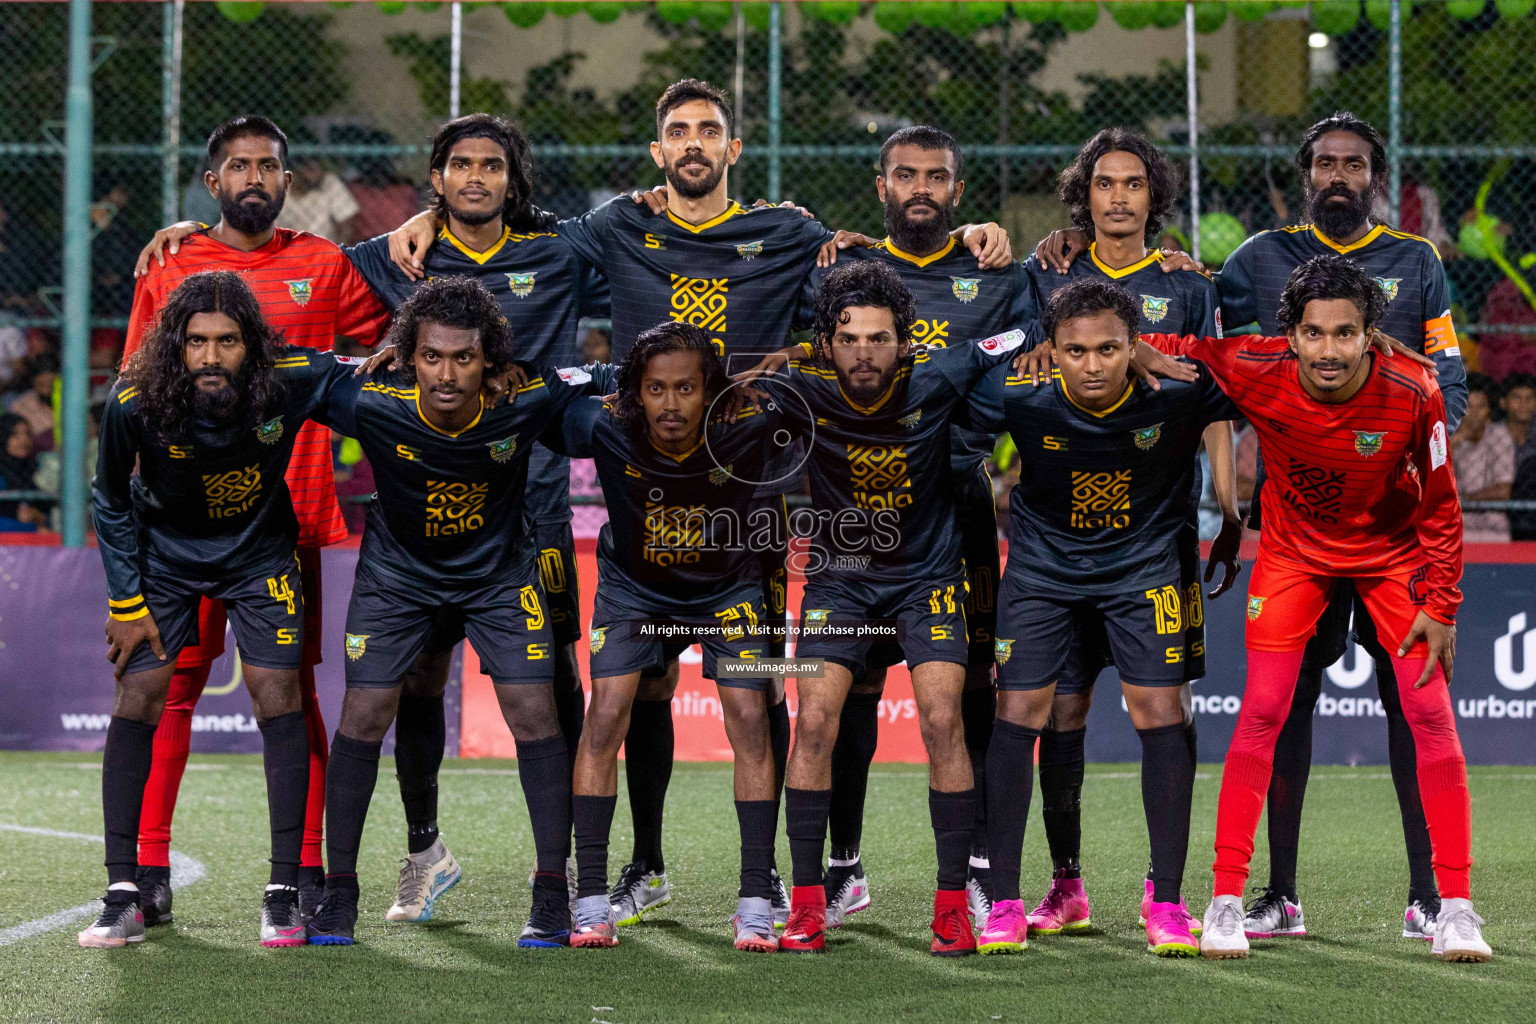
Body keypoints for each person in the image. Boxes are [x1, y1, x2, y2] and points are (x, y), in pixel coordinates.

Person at [1035, 111, 1468, 941]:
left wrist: (1422, 441)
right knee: (1283, 707)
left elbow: (1446, 372)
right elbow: (1197, 350)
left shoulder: (1418, 264)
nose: (1339, 175)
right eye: (1325, 163)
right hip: (1297, 529)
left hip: (1394, 535)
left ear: (1375, 175)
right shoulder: (1254, 261)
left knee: (1412, 706)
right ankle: (1272, 893)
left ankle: (1431, 898)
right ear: (1305, 173)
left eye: (1354, 164)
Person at [1138, 254, 1490, 963]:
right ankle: (1228, 901)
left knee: (1429, 713)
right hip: (1294, 556)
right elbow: (1160, 345)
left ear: (1371, 336)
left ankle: (1454, 909)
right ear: (1290, 336)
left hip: (1393, 558)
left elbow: (1443, 509)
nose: (1329, 350)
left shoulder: (1414, 386)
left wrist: (1442, 605)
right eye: (1315, 334)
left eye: (1345, 333)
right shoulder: (1252, 364)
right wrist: (1111, 339)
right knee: (1264, 711)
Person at [122, 115, 391, 926]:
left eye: (269, 166)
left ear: (288, 180)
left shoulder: (323, 263)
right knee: (168, 691)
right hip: (176, 522)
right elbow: (136, 383)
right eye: (238, 165)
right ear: (212, 183)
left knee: (290, 697)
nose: (254, 177)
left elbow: (387, 350)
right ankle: (148, 866)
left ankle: (303, 869)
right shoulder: (171, 263)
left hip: (287, 523)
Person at [303, 276, 616, 948]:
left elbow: (607, 377)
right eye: (432, 356)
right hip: (398, 577)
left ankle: (551, 894)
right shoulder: (370, 397)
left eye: (465, 358)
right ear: (407, 356)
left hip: (498, 576)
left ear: (490, 361)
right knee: (363, 715)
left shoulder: (525, 393)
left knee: (535, 715)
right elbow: (281, 375)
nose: (447, 375)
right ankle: (340, 895)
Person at [794, 126, 1035, 931]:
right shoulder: (844, 271)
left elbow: (1020, 366)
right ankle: (843, 863)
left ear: (959, 192)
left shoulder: (993, 268)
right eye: (906, 175)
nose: (920, 188)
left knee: (965, 687)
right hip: (857, 517)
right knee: (849, 687)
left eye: (936, 176)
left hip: (955, 502)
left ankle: (968, 870)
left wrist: (945, 451)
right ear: (881, 185)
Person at [748, 260, 1024, 956]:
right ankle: (808, 905)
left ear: (905, 341)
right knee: (813, 721)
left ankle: (952, 905)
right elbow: (711, 389)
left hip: (927, 581)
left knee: (943, 720)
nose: (864, 350)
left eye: (879, 337)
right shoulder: (799, 387)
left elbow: (1019, 335)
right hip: (840, 583)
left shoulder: (936, 375)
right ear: (827, 343)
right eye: (849, 338)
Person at [960, 278, 1240, 957]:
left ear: (1134, 346)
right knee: (1023, 711)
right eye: (1075, 350)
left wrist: (1234, 514)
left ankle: (1166, 901)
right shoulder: (1016, 395)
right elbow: (945, 384)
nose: (1092, 365)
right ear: (1053, 351)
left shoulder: (1177, 389)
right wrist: (1026, 342)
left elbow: (1264, 366)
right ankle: (1008, 901)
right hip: (1042, 573)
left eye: (1110, 349)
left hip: (1142, 570)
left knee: (1158, 710)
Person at [1014, 127, 1238, 939]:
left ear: (1154, 196)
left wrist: (1227, 504)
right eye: (1104, 184)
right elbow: (1014, 373)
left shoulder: (1187, 285)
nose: (1117, 198)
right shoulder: (1048, 271)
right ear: (1085, 195)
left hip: (1158, 532)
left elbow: (1211, 400)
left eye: (1133, 185)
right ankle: (1066, 883)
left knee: (1162, 704)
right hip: (1058, 536)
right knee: (1061, 712)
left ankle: (1162, 887)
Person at [79, 271, 342, 949]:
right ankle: (122, 890)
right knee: (139, 694)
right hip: (164, 560)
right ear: (176, 343)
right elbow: (109, 498)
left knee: (279, 694)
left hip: (260, 556)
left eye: (226, 341)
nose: (210, 355)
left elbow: (367, 380)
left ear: (249, 345)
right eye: (196, 341)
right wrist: (125, 599)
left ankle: (284, 892)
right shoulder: (134, 400)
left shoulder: (287, 379)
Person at [543, 322, 782, 952]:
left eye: (685, 388)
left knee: (749, 720)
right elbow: (531, 398)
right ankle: (591, 898)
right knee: (606, 720)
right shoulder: (604, 426)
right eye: (655, 389)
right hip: (633, 592)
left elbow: (835, 388)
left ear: (711, 391)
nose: (670, 405)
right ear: (635, 393)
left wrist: (797, 351)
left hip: (727, 589)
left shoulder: (748, 425)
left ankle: (756, 897)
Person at [1450, 375, 1513, 543]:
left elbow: (1503, 491)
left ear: (1489, 410)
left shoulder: (1499, 435)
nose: (1475, 413)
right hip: (1456, 525)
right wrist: (1452, 445)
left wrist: (1465, 500)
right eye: (1468, 406)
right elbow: (1437, 484)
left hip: (1494, 528)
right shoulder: (1447, 437)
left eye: (1481, 406)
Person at [277, 155, 360, 243]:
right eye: (311, 169)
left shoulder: (328, 183)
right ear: (295, 172)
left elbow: (347, 224)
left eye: (320, 168)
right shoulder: (277, 188)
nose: (319, 174)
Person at [1500, 373, 1536, 539]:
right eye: (1517, 398)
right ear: (1503, 402)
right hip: (1499, 506)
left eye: (1530, 398)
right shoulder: (1492, 435)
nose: (1524, 404)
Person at [0, 411, 47, 530]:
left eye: (27, 434)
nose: (24, 440)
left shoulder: (33, 470)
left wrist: (38, 517)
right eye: (15, 434)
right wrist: (33, 529)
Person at [8, 353, 58, 450]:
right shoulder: (22, 405)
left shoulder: (72, 402)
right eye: (41, 383)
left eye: (50, 383)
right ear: (33, 381)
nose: (46, 383)